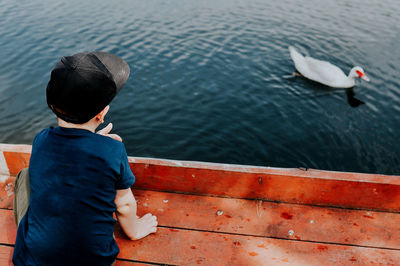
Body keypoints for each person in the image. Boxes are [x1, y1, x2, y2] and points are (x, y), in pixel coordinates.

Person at [12, 51, 157, 266]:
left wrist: (93, 144)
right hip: (94, 261)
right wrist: (136, 230)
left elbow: (69, 152)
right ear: (102, 113)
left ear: (52, 106)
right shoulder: (113, 150)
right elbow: (124, 206)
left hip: (33, 260)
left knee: (25, 175)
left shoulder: (41, 139)